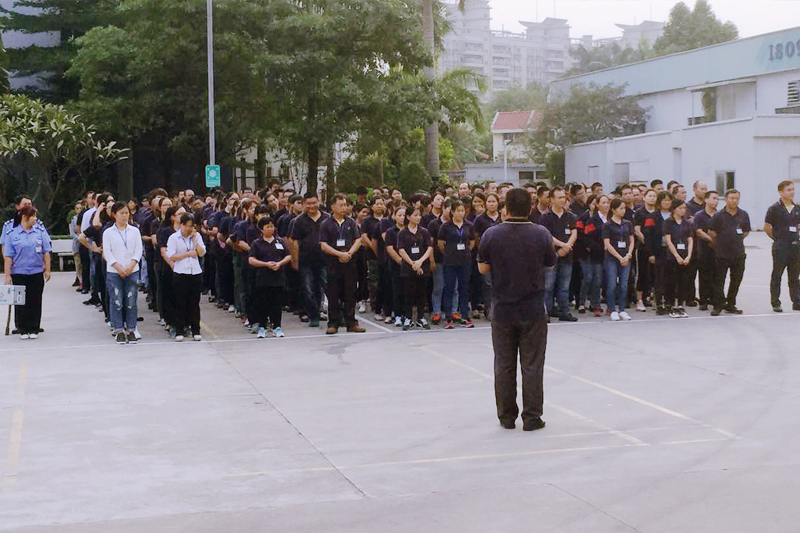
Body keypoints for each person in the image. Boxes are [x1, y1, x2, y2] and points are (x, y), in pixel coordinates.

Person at [478, 188, 556, 431]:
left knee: (504, 364)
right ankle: (532, 417)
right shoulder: (541, 233)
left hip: (502, 308)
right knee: (532, 365)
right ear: (530, 207)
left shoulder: (492, 234)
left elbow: (482, 268)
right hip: (532, 308)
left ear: (506, 208)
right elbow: (550, 263)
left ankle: (506, 416)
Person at [318, 194, 366, 334]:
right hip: (333, 263)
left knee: (350, 294)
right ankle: (333, 323)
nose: (344, 207)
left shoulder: (351, 222)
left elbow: (358, 240)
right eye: (341, 205)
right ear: (332, 206)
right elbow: (323, 244)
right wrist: (339, 254)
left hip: (349, 263)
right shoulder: (326, 224)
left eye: (345, 205)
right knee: (333, 294)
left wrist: (349, 253)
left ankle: (351, 322)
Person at [3, 206, 51, 340]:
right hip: (19, 273)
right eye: (33, 216)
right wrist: (7, 276)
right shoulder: (12, 234)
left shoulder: (40, 231)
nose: (35, 219)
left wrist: (47, 269)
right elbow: (8, 257)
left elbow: (46, 251)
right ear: (25, 217)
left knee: (35, 300)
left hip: (36, 272)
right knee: (21, 302)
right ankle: (23, 328)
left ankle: (34, 327)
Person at [103, 202, 144, 344]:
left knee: (131, 301)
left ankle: (132, 328)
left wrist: (132, 264)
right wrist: (118, 266)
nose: (125, 215)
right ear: (114, 214)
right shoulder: (108, 232)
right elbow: (107, 252)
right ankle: (118, 329)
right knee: (117, 301)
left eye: (127, 213)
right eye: (121, 213)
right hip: (115, 271)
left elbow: (139, 249)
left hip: (132, 270)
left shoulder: (134, 231)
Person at [289, 192, 329, 328]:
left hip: (324, 260)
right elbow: (294, 241)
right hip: (306, 260)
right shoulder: (299, 221)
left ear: (318, 202)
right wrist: (295, 260)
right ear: (305, 204)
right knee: (308, 288)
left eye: (314, 202)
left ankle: (320, 310)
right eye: (309, 203)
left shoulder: (327, 218)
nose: (312, 206)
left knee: (322, 287)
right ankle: (313, 315)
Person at [709, 189, 750, 316]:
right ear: (726, 199)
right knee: (719, 281)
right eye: (732, 198)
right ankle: (718, 304)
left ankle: (731, 303)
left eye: (737, 198)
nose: (734, 200)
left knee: (736, 279)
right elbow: (711, 232)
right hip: (722, 254)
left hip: (738, 254)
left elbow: (746, 231)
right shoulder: (718, 215)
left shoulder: (743, 214)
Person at [249, 216, 292, 338]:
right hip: (262, 278)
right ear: (261, 229)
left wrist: (279, 263)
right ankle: (262, 327)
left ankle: (277, 326)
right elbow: (251, 259)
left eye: (272, 226)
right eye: (267, 227)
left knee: (277, 304)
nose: (270, 229)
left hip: (278, 278)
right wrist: (265, 264)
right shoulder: (257, 243)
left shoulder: (280, 241)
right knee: (262, 303)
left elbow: (288, 256)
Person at [540, 187, 578, 322]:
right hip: (551, 257)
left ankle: (564, 311)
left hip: (567, 256)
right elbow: (547, 235)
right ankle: (546, 312)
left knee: (564, 286)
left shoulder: (571, 216)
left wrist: (568, 246)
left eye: (564, 197)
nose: (563, 200)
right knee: (548, 286)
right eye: (559, 197)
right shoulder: (545, 217)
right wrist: (562, 245)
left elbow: (574, 232)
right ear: (551, 200)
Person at [167, 213, 207, 341]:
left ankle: (196, 329)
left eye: (191, 226)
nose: (188, 228)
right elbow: (172, 256)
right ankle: (179, 330)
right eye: (186, 225)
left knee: (194, 302)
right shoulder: (174, 238)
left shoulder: (197, 236)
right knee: (180, 302)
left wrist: (195, 241)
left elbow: (201, 253)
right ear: (181, 225)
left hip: (195, 272)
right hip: (181, 272)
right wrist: (187, 254)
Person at [438, 201, 476, 329]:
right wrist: (449, 253)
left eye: (462, 211)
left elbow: (471, 242)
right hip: (450, 261)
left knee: (464, 289)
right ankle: (448, 317)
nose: (461, 213)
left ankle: (465, 316)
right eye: (458, 210)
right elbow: (441, 244)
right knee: (449, 288)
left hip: (465, 261)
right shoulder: (446, 226)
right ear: (452, 212)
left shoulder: (469, 225)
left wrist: (465, 252)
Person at [764, 180, 800, 313]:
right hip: (781, 247)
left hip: (795, 247)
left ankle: (797, 301)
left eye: (793, 189)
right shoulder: (774, 208)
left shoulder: (797, 208)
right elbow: (767, 227)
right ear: (781, 192)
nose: (792, 192)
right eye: (789, 190)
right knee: (777, 275)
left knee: (795, 276)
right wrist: (778, 239)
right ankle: (775, 302)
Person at [396, 205, 434, 330]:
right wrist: (413, 263)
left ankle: (421, 317)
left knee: (421, 292)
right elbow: (401, 250)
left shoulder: (424, 231)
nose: (418, 218)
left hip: (423, 267)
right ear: (408, 217)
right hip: (408, 268)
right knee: (408, 293)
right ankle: (408, 318)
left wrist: (420, 262)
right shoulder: (403, 233)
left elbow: (429, 248)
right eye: (415, 215)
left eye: (419, 215)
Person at [602, 199, 634, 321]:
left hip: (626, 256)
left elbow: (631, 240)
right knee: (611, 284)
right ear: (613, 209)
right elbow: (607, 244)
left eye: (624, 208)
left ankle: (622, 309)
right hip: (612, 257)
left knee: (624, 284)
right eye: (620, 208)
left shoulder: (627, 223)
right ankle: (612, 309)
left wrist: (629, 254)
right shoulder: (607, 225)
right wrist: (619, 257)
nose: (623, 211)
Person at [663, 200, 694, 318]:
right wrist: (676, 256)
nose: (683, 210)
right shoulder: (668, 223)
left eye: (684, 208)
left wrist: (688, 255)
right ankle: (670, 305)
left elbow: (690, 239)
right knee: (671, 282)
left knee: (683, 281)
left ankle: (680, 304)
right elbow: (668, 240)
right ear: (674, 209)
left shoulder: (687, 223)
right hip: (672, 257)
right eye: (680, 208)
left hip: (685, 255)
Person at [579, 194, 609, 317]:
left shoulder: (612, 218)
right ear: (597, 204)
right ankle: (592, 303)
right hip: (596, 254)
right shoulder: (592, 220)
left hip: (611, 254)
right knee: (594, 279)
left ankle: (608, 304)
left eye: (608, 202)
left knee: (607, 280)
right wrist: (597, 248)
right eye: (603, 202)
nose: (606, 205)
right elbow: (587, 238)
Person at [692, 191, 719, 311]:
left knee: (716, 275)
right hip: (703, 249)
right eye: (713, 198)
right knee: (704, 275)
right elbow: (698, 230)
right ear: (706, 200)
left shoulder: (719, 215)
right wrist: (710, 239)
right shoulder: (699, 215)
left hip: (718, 250)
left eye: (717, 199)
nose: (716, 201)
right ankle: (703, 300)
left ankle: (715, 298)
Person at [633, 189, 659, 312]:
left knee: (655, 274)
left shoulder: (658, 213)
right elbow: (637, 231)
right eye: (650, 196)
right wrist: (647, 243)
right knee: (642, 274)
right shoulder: (639, 212)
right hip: (643, 247)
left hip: (657, 248)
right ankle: (639, 300)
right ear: (644, 198)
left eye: (654, 196)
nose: (652, 198)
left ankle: (654, 298)